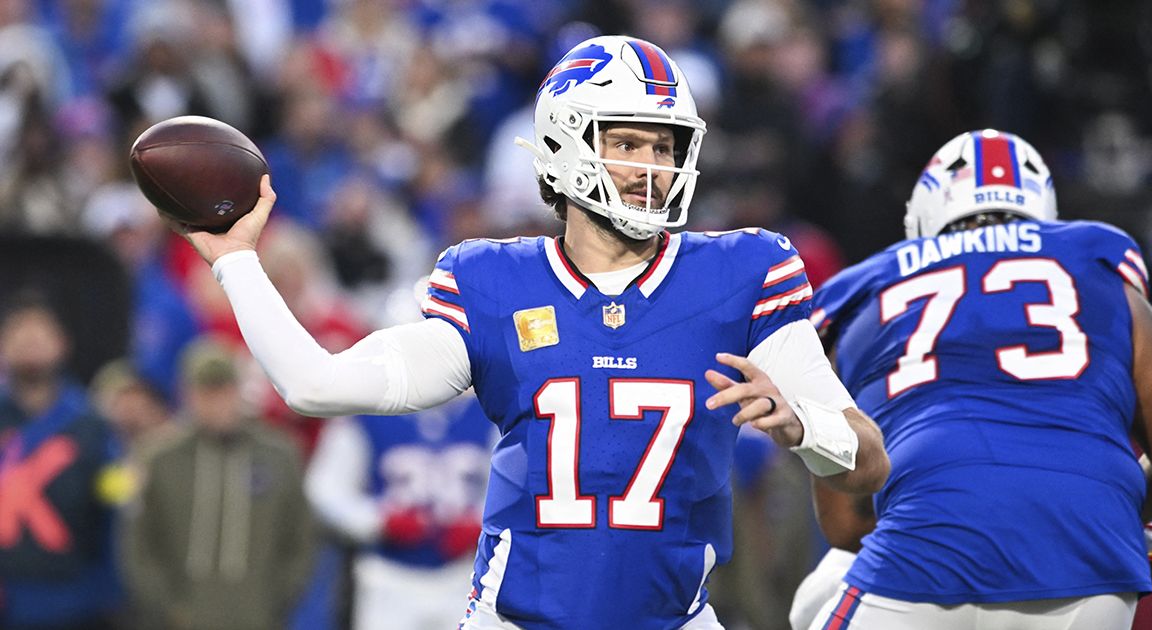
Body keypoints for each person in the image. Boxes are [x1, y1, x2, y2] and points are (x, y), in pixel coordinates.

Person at [161, 35, 889, 629]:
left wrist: (804, 428)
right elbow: (315, 384)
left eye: (665, 147)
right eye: (628, 142)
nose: (651, 167)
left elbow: (867, 463)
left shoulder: (741, 273)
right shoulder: (491, 284)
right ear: (566, 146)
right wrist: (237, 262)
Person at [794, 129, 1152, 630]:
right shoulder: (1097, 265)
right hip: (1093, 564)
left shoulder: (863, 293)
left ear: (923, 218)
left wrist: (960, 508)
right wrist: (1109, 501)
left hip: (922, 558)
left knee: (814, 598)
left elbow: (843, 523)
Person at [119, 338, 315, 630]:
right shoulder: (159, 459)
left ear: (239, 391)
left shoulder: (278, 455)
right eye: (206, 393)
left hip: (257, 617)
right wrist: (167, 607)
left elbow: (301, 536)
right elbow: (139, 544)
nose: (217, 404)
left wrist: (276, 600)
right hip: (180, 619)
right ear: (187, 395)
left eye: (224, 391)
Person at [306, 393, 496, 629]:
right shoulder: (365, 413)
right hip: (389, 575)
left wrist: (481, 524)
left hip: (465, 575)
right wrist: (378, 520)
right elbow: (325, 489)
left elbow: (515, 485)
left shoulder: (492, 413)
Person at [0, 292, 125, 629]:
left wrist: (109, 594)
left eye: (39, 334)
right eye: (18, 333)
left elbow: (113, 513)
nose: (29, 342)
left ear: (62, 343)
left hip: (75, 603)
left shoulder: (91, 425)